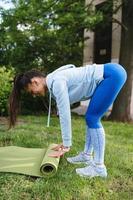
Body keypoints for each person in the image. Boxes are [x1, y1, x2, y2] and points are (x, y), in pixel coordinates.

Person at [9, 63, 127, 178]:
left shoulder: (56, 83)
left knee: (93, 118)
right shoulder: (53, 80)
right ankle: (86, 155)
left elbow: (65, 114)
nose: (34, 95)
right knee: (90, 118)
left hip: (111, 75)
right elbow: (70, 67)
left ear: (35, 81)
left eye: (31, 91)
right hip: (111, 73)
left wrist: (66, 145)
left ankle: (99, 168)